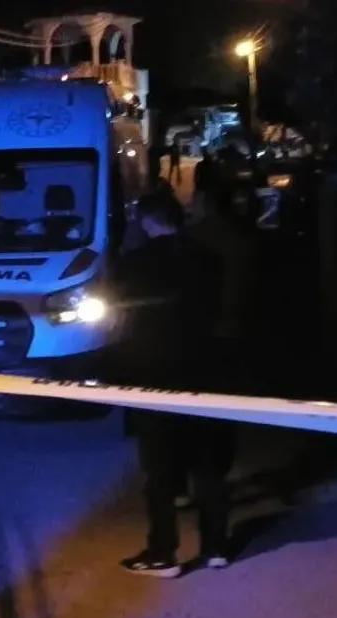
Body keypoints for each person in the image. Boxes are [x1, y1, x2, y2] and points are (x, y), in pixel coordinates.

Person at [113, 193, 237, 578]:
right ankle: (216, 546)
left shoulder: (134, 263)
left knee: (160, 468)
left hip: (155, 376)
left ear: (147, 221)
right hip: (206, 371)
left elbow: (122, 320)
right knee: (208, 464)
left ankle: (163, 553)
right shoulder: (208, 258)